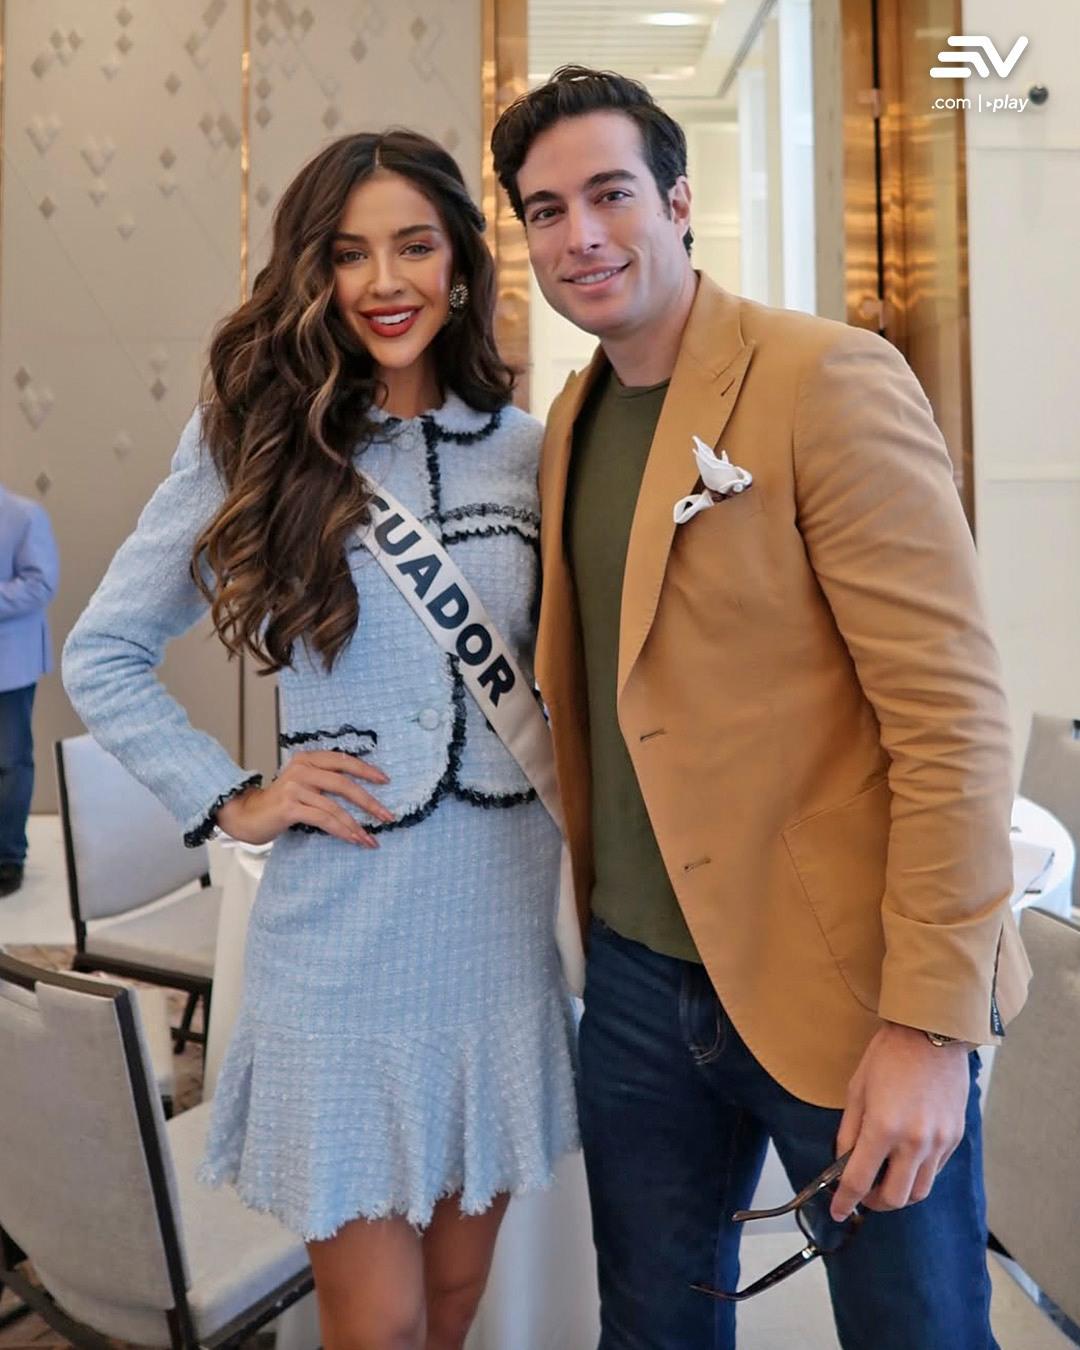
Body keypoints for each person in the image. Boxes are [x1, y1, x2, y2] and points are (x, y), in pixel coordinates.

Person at [491, 66, 1029, 1350]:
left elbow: (953, 721)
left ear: (680, 202)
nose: (580, 235)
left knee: (920, 1333)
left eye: (610, 193)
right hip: (635, 978)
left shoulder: (825, 378)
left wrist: (927, 1024)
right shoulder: (568, 419)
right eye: (546, 209)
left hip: (846, 985)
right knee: (653, 1331)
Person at [63, 130, 578, 1350]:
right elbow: (104, 653)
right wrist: (231, 797)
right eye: (349, 254)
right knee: (377, 1320)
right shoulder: (259, 439)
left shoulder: (531, 447)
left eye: (413, 245)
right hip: (344, 938)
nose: (383, 280)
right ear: (316, 278)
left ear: (460, 266)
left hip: (500, 929)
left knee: (454, 1304)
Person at [0, 484, 59, 897]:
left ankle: (7, 858)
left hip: (9, 666)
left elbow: (41, 585)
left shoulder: (24, 515)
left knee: (9, 762)